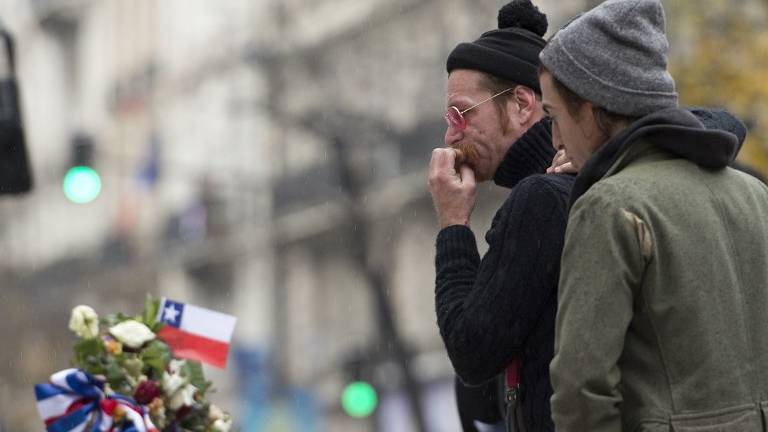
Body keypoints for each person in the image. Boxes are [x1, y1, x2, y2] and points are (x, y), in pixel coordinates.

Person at [537, 0, 768, 431]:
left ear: (592, 106)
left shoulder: (609, 207)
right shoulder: (755, 194)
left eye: (553, 116)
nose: (555, 139)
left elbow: (581, 392)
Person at [428, 1, 574, 430]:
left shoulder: (542, 196)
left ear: (523, 105)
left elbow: (471, 352)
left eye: (462, 113)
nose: (451, 133)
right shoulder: (562, 183)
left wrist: (453, 224)